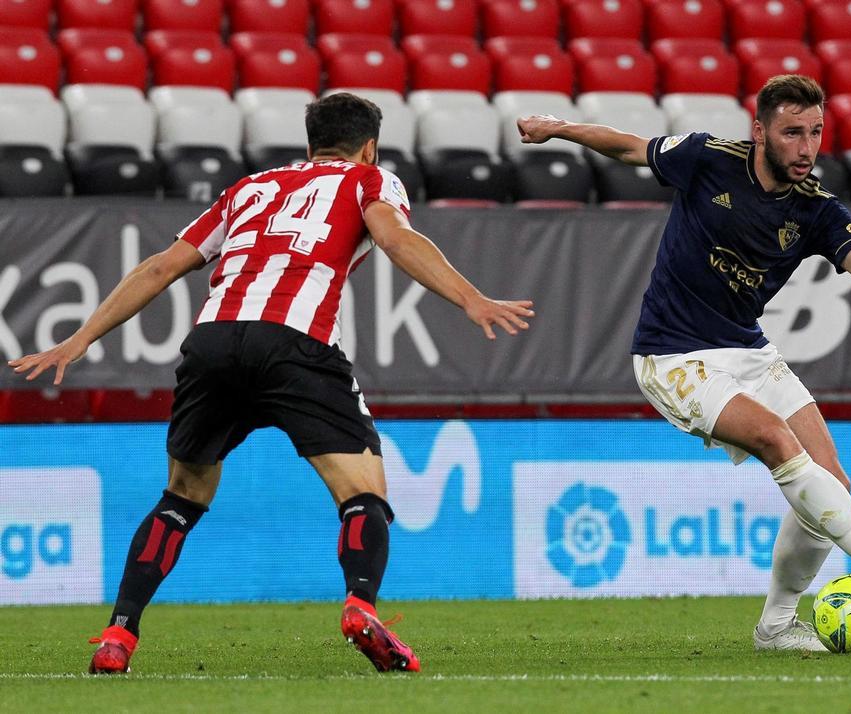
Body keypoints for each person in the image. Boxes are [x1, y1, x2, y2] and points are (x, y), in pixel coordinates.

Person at [9, 92, 535, 673]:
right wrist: (470, 298)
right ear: (370, 146)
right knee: (364, 494)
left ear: (308, 142)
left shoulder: (249, 188)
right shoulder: (369, 180)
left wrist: (79, 340)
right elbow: (394, 238)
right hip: (296, 342)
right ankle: (360, 606)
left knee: (180, 498)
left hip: (213, 341)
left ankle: (119, 634)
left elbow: (161, 266)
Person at [517, 74, 851, 651]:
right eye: (793, 132)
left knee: (832, 482)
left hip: (747, 349)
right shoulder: (707, 158)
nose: (806, 147)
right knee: (778, 441)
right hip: (672, 353)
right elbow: (628, 146)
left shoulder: (815, 208)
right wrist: (559, 129)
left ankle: (775, 627)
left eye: (816, 132)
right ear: (759, 132)